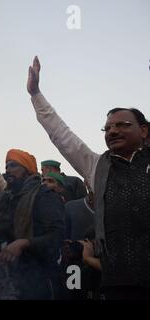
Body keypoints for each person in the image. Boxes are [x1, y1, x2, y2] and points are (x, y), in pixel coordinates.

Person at [27, 55, 150, 299]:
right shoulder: (98, 167)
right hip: (117, 283)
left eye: (123, 125)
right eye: (108, 128)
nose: (113, 131)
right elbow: (62, 136)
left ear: (144, 130)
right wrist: (35, 94)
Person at [0, 149, 65, 299]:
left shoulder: (44, 196)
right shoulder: (8, 198)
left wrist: (24, 243)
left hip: (41, 279)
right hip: (13, 279)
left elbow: (57, 236)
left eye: (14, 165)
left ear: (28, 171)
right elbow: (3, 232)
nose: (8, 170)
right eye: (6, 166)